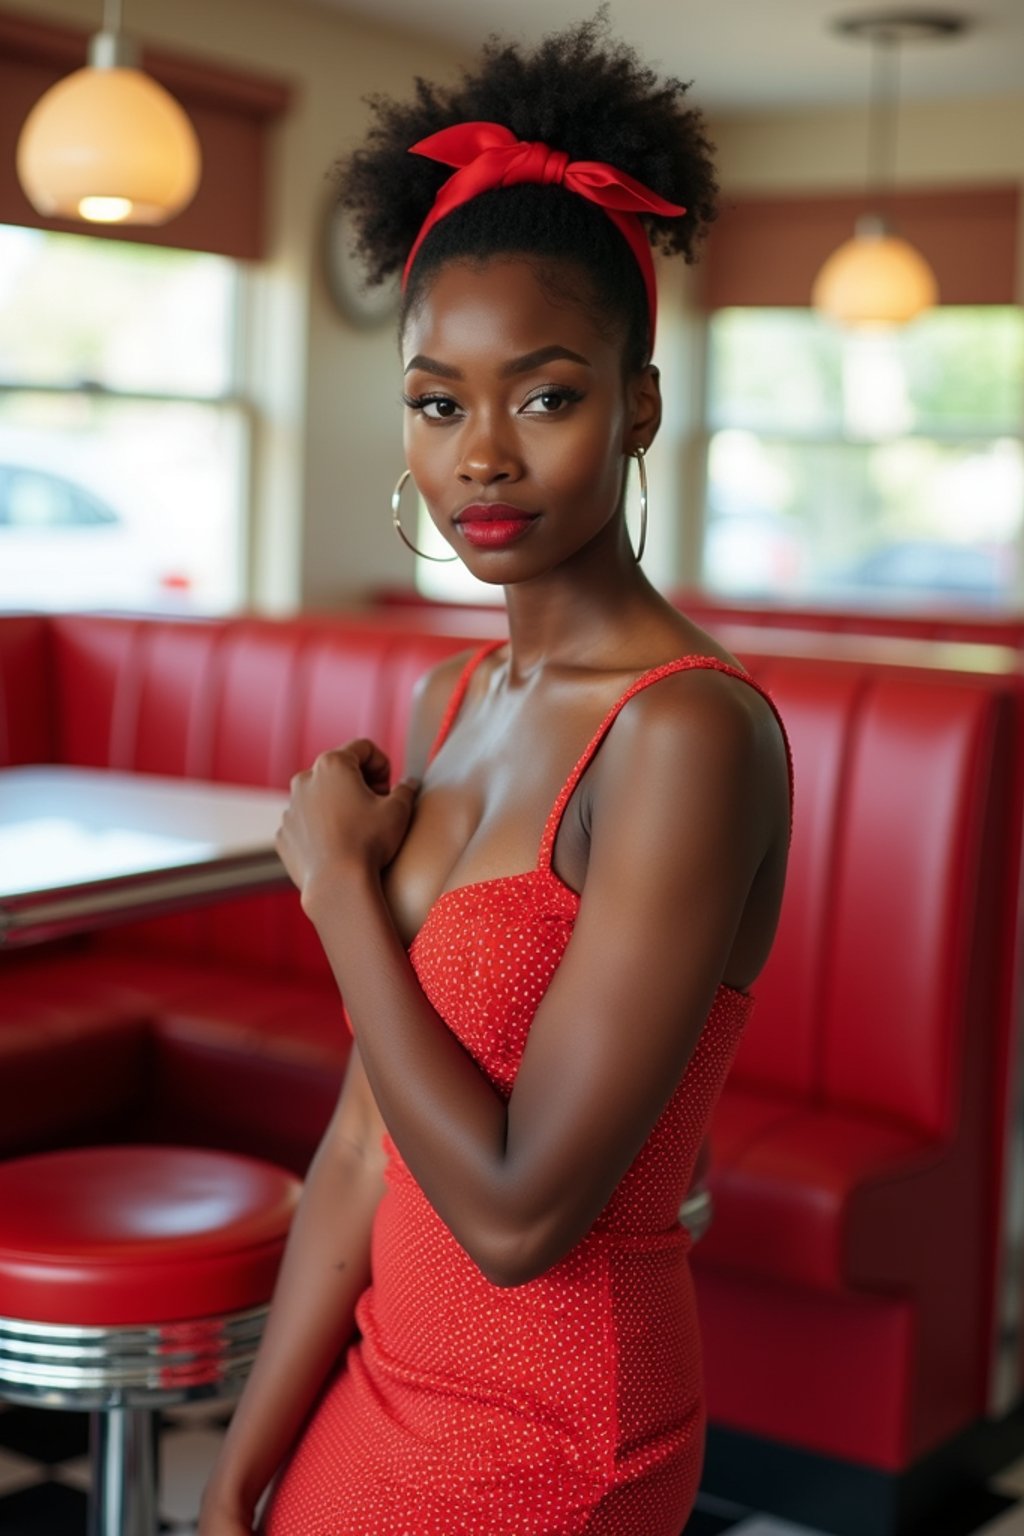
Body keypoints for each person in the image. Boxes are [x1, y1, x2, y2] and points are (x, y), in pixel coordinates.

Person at [199, 15, 793, 1536]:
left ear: (638, 407)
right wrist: (240, 1475)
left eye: (544, 396)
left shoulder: (685, 735)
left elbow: (525, 1216)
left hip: (553, 1438)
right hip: (385, 1385)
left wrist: (339, 890)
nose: (481, 455)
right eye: (436, 401)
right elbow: (356, 1149)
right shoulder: (453, 690)